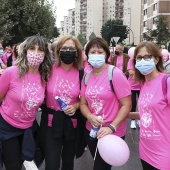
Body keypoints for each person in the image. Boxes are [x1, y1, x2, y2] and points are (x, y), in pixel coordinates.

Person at [0, 35, 53, 170]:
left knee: (30, 160)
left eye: (40, 50)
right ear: (25, 51)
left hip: (28, 128)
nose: (36, 53)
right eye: (32, 48)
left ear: (45, 54)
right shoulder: (11, 72)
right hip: (7, 127)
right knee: (14, 166)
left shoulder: (45, 77)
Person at [80, 37, 132, 170]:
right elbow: (83, 103)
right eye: (92, 52)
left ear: (107, 55)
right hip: (91, 131)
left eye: (100, 52)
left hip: (111, 133)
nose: (96, 55)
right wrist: (90, 117)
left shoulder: (115, 74)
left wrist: (111, 127)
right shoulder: (86, 76)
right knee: (99, 164)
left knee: (100, 167)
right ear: (87, 55)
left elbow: (127, 105)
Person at [40, 35, 85, 170]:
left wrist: (76, 106)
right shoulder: (48, 70)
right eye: (64, 48)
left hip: (72, 123)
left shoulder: (82, 73)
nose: (68, 51)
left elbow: (85, 99)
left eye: (71, 48)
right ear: (58, 51)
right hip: (50, 123)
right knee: (52, 163)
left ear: (77, 52)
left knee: (68, 162)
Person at [128, 42, 170, 170]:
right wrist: (124, 114)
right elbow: (148, 113)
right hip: (145, 150)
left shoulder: (166, 81)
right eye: (139, 58)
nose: (142, 61)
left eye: (147, 57)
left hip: (164, 152)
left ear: (156, 59)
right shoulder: (143, 84)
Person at [127, 47, 141, 129]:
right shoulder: (131, 60)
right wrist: (139, 72)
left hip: (141, 86)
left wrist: (136, 73)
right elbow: (130, 72)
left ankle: (139, 119)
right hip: (131, 86)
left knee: (141, 104)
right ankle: (132, 121)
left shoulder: (141, 60)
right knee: (133, 104)